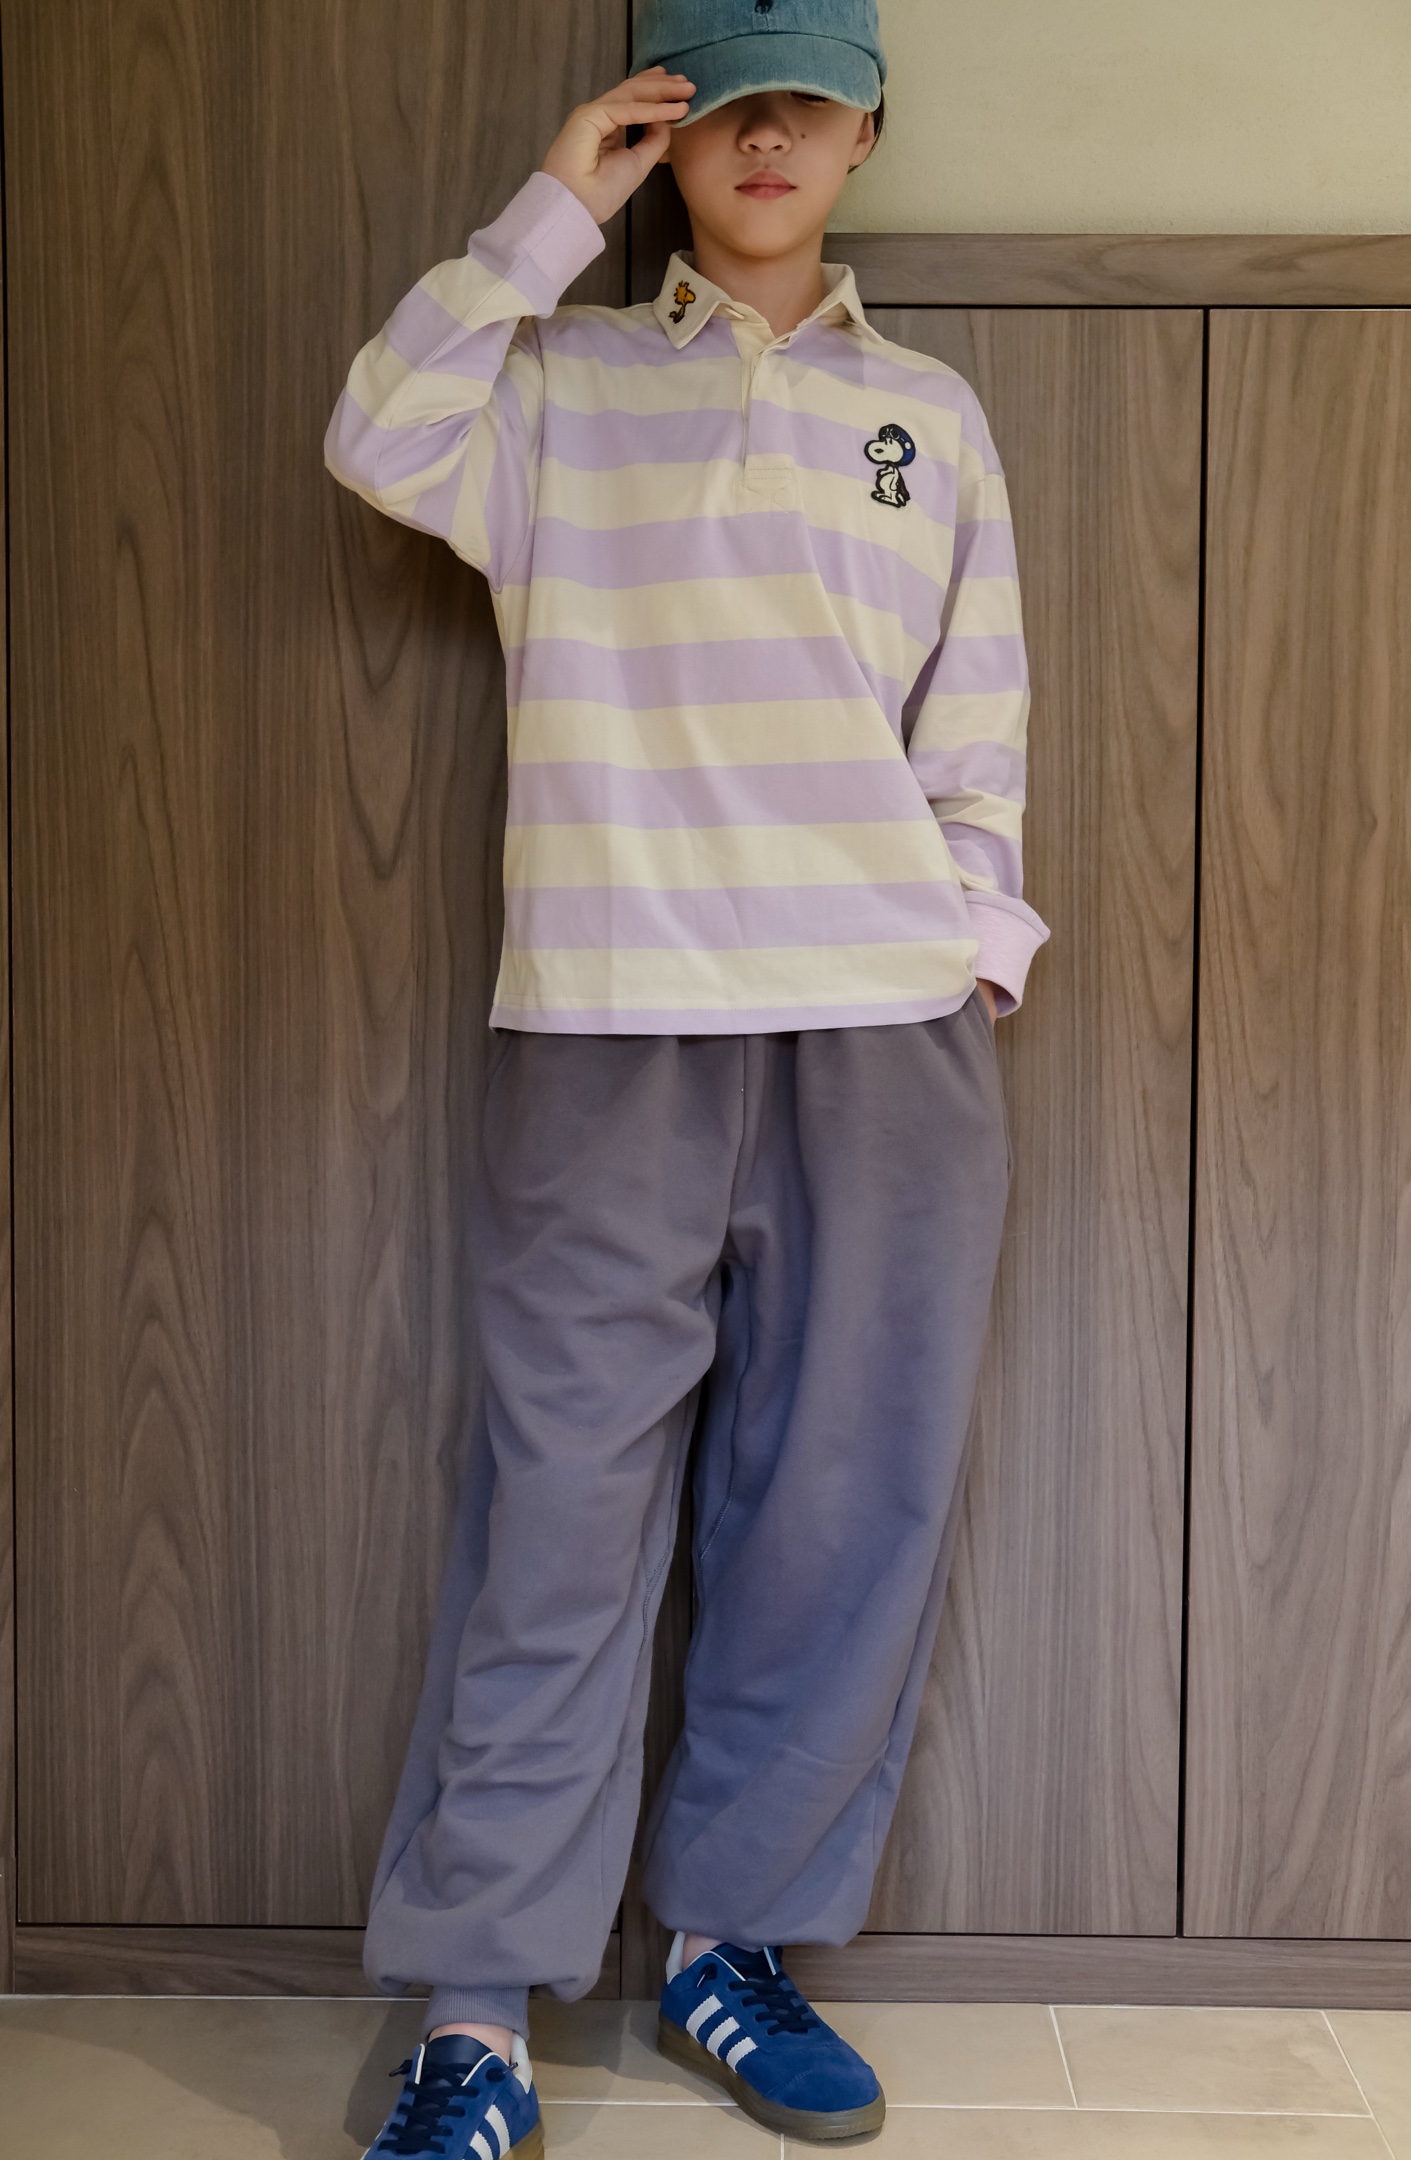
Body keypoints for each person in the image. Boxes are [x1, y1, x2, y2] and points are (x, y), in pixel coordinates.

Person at [325, 1, 1049, 2150]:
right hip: (608, 1021)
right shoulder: (551, 386)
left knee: (839, 1507)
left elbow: (979, 719)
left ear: (869, 130)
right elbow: (376, 435)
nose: (768, 135)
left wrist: (976, 944)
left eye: (808, 99)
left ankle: (736, 1945)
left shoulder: (928, 414)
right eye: (724, 99)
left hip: (883, 1033)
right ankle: (475, 2011)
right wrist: (554, 211)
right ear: (666, 123)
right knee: (558, 1511)